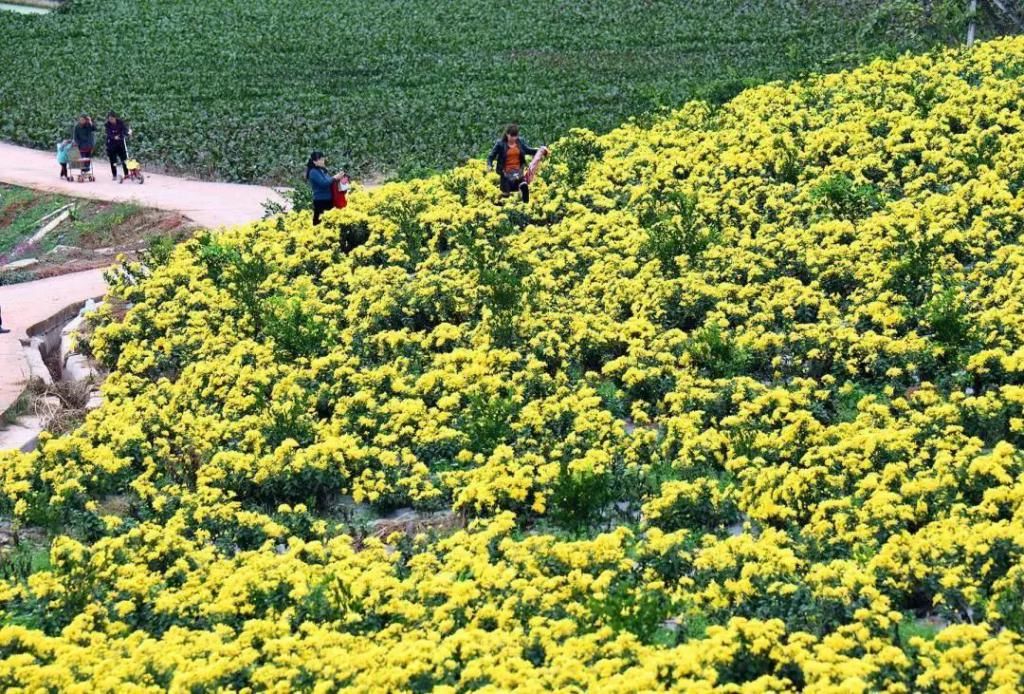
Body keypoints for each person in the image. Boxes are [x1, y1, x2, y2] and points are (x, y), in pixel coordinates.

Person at [486, 123, 545, 203]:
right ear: (507, 134)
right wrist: (489, 165)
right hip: (506, 172)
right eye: (512, 136)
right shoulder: (500, 144)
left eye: (515, 136)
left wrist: (540, 151)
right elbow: (491, 156)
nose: (514, 138)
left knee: (524, 187)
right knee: (506, 195)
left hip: (518, 171)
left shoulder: (519, 142)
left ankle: (525, 206)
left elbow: (528, 150)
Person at [305, 151, 347, 225]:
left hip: (329, 200)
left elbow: (329, 181)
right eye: (320, 160)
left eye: (323, 159)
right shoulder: (313, 172)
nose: (322, 161)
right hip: (321, 201)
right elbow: (324, 183)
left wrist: (339, 178)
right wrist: (334, 177)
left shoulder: (322, 170)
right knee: (320, 224)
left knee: (330, 223)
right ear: (314, 161)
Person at [105, 111, 131, 181]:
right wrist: (114, 137)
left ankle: (126, 174)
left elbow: (125, 130)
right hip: (111, 144)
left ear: (115, 117)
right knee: (113, 160)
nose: (111, 120)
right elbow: (108, 133)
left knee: (124, 159)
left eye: (112, 119)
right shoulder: (107, 125)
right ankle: (114, 175)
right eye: (109, 119)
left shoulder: (120, 122)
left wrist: (128, 133)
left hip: (120, 143)